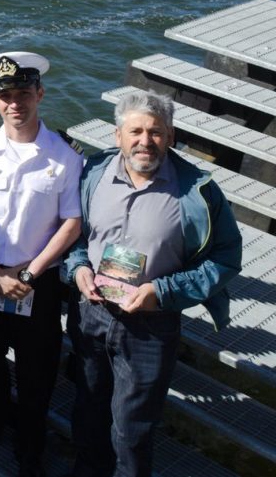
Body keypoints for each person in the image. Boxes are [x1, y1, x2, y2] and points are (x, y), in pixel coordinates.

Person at [64, 90, 242, 477]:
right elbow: (75, 236)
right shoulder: (92, 173)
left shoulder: (197, 191)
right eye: (136, 131)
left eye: (156, 132)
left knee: (132, 429)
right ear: (117, 136)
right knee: (89, 408)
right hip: (91, 312)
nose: (145, 141)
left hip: (152, 325)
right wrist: (78, 268)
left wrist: (161, 293)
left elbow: (227, 258)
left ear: (171, 136)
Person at [0, 52, 83, 477]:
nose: (15, 103)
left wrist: (28, 273)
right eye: (5, 95)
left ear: (39, 94)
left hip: (35, 283)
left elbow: (72, 222)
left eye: (23, 93)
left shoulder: (64, 156)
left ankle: (30, 444)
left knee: (36, 371)